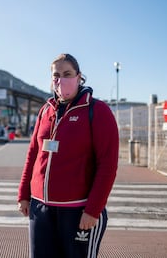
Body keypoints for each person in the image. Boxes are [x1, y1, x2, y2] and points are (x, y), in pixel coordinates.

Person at [17, 53, 119, 257]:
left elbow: (107, 165)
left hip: (77, 211)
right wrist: (24, 195)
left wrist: (93, 210)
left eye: (67, 74)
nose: (61, 80)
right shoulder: (45, 111)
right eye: (56, 75)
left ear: (79, 77)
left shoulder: (97, 111)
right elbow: (33, 154)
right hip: (40, 209)